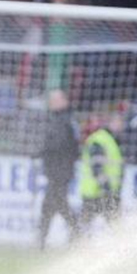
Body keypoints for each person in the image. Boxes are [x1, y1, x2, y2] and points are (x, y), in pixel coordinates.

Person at [37, 90, 81, 250]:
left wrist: (43, 150)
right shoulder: (60, 119)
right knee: (57, 205)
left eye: (54, 99)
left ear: (64, 101)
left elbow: (62, 145)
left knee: (52, 205)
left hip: (60, 172)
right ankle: (75, 233)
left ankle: (43, 240)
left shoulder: (66, 121)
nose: (51, 103)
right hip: (57, 171)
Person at [79, 114, 124, 232]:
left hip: (102, 191)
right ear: (111, 122)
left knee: (113, 225)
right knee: (111, 225)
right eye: (119, 122)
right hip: (96, 191)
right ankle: (76, 246)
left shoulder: (110, 139)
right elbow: (96, 166)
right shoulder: (100, 140)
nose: (121, 126)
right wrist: (106, 187)